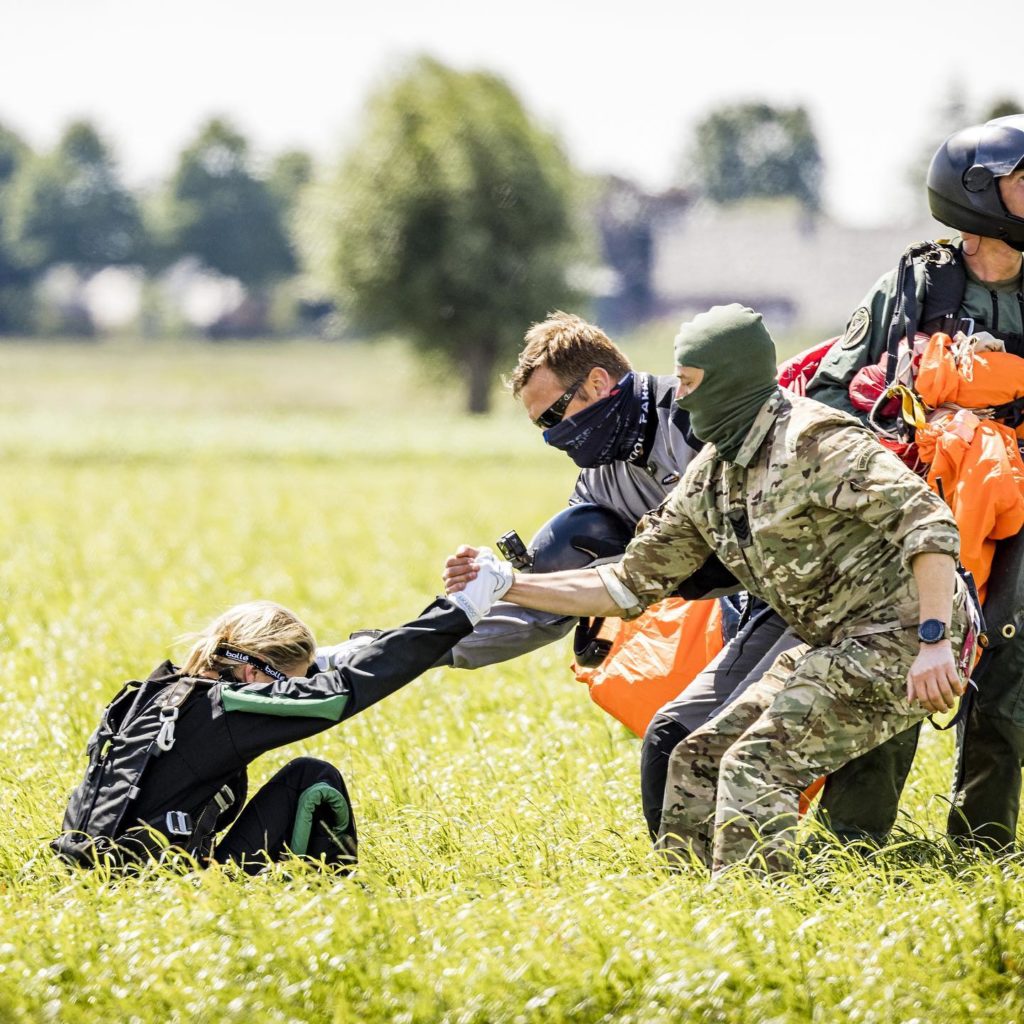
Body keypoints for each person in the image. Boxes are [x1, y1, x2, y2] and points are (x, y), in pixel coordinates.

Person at [445, 304, 975, 875]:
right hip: (830, 637)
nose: (682, 398)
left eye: (691, 383)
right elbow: (626, 583)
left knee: (756, 764)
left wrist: (933, 642)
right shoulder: (712, 473)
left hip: (905, 635)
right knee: (697, 753)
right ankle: (690, 899)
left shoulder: (816, 441)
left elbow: (930, 524)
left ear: (732, 380)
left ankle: (758, 910)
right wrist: (509, 584)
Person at [807, 114, 1024, 849]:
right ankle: (852, 843)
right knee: (900, 654)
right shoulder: (914, 286)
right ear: (977, 193)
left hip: (1016, 504)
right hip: (919, 504)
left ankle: (983, 843)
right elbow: (833, 396)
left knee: (1011, 664)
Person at [54, 570, 510, 872]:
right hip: (156, 886)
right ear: (254, 673)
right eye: (289, 682)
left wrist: (336, 656)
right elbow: (342, 693)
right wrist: (460, 611)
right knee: (313, 779)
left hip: (95, 869)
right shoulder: (228, 707)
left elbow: (313, 674)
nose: (293, 691)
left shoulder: (161, 692)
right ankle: (335, 911)